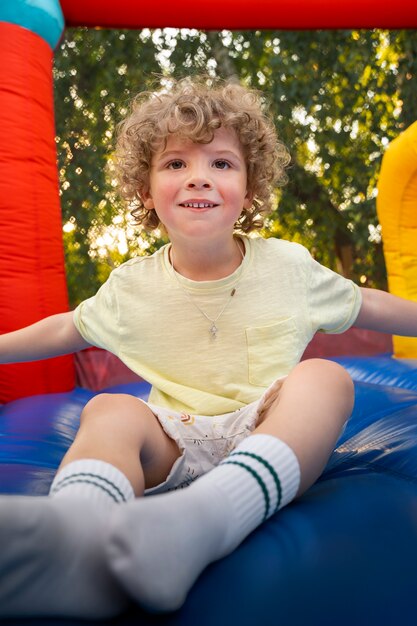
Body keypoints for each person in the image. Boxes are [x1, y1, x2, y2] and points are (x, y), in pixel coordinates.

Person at [1, 76, 417, 620]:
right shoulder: (132, 287)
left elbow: (367, 304)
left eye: (221, 164)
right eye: (176, 164)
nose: (199, 177)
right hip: (175, 440)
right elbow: (64, 330)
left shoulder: (287, 266)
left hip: (271, 428)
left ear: (248, 189)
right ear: (146, 191)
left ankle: (209, 517)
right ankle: (74, 537)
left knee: (327, 380)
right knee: (109, 409)